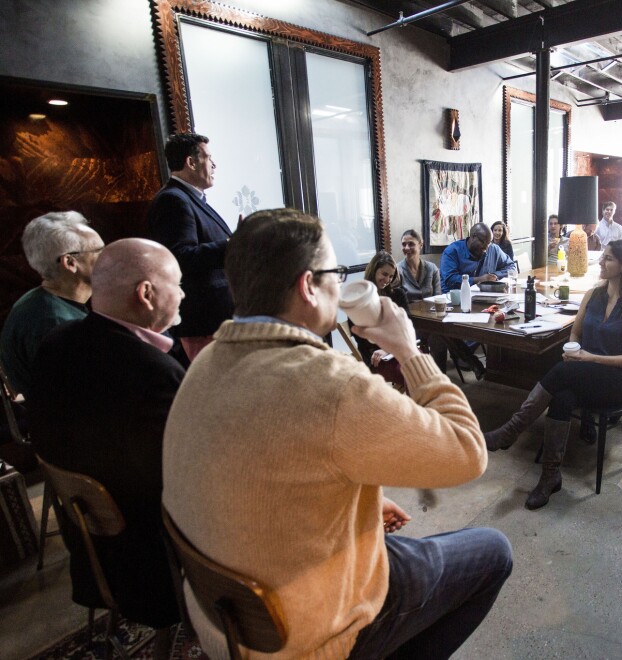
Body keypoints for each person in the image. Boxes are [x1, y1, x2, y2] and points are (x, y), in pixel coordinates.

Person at [162, 209, 512, 659]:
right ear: (309, 286)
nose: (341, 283)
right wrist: (408, 349)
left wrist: (355, 498)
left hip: (223, 619)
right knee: (493, 549)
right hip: (306, 632)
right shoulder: (333, 385)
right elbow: (467, 452)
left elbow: (255, 461)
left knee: (393, 540)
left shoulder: (203, 364)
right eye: (336, 272)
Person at [28, 238, 185, 631]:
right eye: (178, 283)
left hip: (93, 554)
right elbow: (188, 481)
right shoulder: (150, 371)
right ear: (146, 294)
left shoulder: (55, 345)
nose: (184, 294)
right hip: (155, 569)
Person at [483, 240, 622, 509]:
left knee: (564, 373)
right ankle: (550, 475)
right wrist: (572, 348)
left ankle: (511, 430)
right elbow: (576, 331)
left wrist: (590, 357)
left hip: (619, 380)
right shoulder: (594, 294)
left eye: (608, 258)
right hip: (585, 371)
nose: (601, 261)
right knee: (562, 395)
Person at [148, 132, 234, 361]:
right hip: (202, 322)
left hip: (217, 319)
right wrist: (232, 245)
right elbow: (180, 257)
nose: (214, 164)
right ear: (191, 162)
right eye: (208, 157)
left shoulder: (191, 198)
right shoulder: (173, 200)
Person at [1, 212, 103, 398]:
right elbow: (80, 397)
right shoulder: (55, 322)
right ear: (70, 263)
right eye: (99, 251)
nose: (108, 258)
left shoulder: (38, 301)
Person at [351, 251, 409, 388]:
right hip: (377, 357)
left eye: (391, 276)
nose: (388, 279)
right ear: (373, 271)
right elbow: (361, 336)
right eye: (384, 274)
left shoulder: (398, 294)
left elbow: (408, 325)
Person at [396, 229, 447, 372]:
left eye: (411, 244)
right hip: (411, 322)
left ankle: (440, 377)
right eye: (404, 244)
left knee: (444, 334)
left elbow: (438, 297)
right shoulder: (397, 271)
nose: (406, 248)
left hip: (432, 319)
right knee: (439, 337)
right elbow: (399, 305)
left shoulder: (432, 269)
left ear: (420, 245)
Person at [439, 222, 515, 293]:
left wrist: (495, 275)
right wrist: (478, 280)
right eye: (483, 242)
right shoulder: (452, 251)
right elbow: (450, 279)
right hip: (456, 299)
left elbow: (511, 266)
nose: (486, 248)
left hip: (484, 297)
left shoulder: (493, 249)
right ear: (473, 237)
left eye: (488, 243)